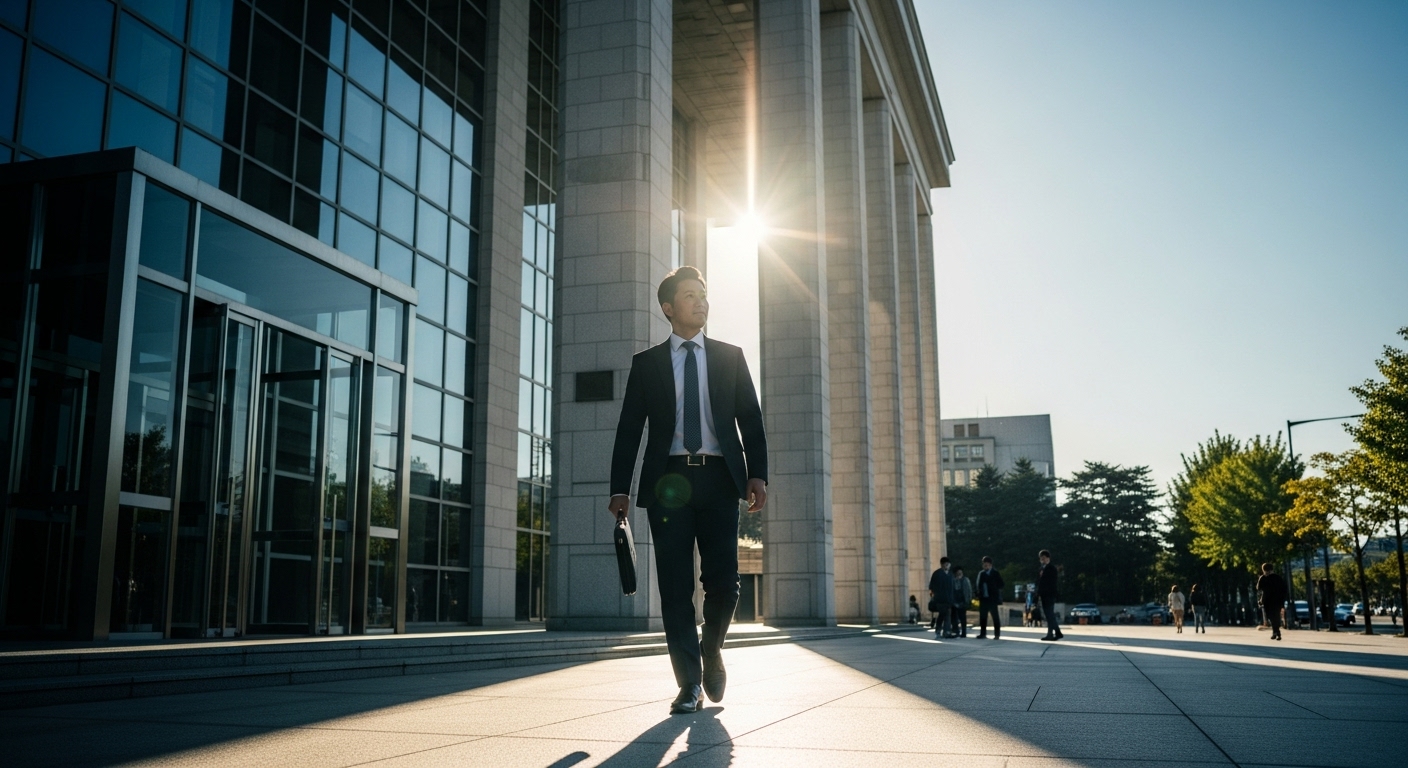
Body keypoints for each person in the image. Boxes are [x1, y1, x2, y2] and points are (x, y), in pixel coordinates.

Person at [608, 266, 768, 715]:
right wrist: (619, 488)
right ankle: (689, 684)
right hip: (667, 485)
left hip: (719, 480)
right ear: (668, 308)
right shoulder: (647, 364)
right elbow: (628, 431)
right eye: (689, 295)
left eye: (703, 294)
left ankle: (711, 646)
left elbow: (751, 421)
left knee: (725, 583)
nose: (700, 301)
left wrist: (757, 474)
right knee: (675, 588)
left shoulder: (730, 356)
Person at [1255, 562, 1288, 641]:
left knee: (1271, 617)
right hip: (1277, 600)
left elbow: (1258, 588)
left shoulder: (1263, 577)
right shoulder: (1278, 577)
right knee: (1275, 616)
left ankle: (1276, 632)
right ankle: (1276, 632)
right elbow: (1284, 589)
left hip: (1268, 600)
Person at [975, 556, 1005, 639]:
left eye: (987, 565)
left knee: (995, 616)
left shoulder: (995, 573)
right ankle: (983, 633)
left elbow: (1001, 584)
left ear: (990, 565)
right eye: (984, 565)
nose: (985, 566)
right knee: (983, 617)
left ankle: (997, 634)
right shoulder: (981, 574)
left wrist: (993, 587)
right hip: (983, 598)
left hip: (992, 598)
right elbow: (978, 585)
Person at [1037, 550, 1063, 641]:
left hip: (1050, 594)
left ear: (1048, 558)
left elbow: (1051, 583)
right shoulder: (1041, 569)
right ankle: (1058, 632)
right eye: (1041, 558)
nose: (1042, 560)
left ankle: (1050, 634)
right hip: (1043, 595)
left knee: (1049, 614)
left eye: (1044, 558)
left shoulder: (1051, 568)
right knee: (1049, 615)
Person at [928, 557, 955, 638]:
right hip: (940, 599)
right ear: (942, 564)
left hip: (949, 599)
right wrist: (934, 596)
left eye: (948, 564)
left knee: (947, 615)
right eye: (945, 564)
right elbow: (932, 586)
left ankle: (946, 632)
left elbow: (952, 588)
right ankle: (938, 631)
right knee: (942, 615)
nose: (947, 566)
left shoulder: (950, 575)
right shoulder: (937, 574)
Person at [952, 566, 973, 637]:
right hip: (954, 601)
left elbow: (969, 590)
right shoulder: (953, 580)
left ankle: (964, 632)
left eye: (960, 573)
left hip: (963, 601)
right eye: (958, 573)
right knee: (954, 617)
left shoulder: (965, 580)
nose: (959, 574)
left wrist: (969, 599)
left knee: (962, 617)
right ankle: (956, 631)